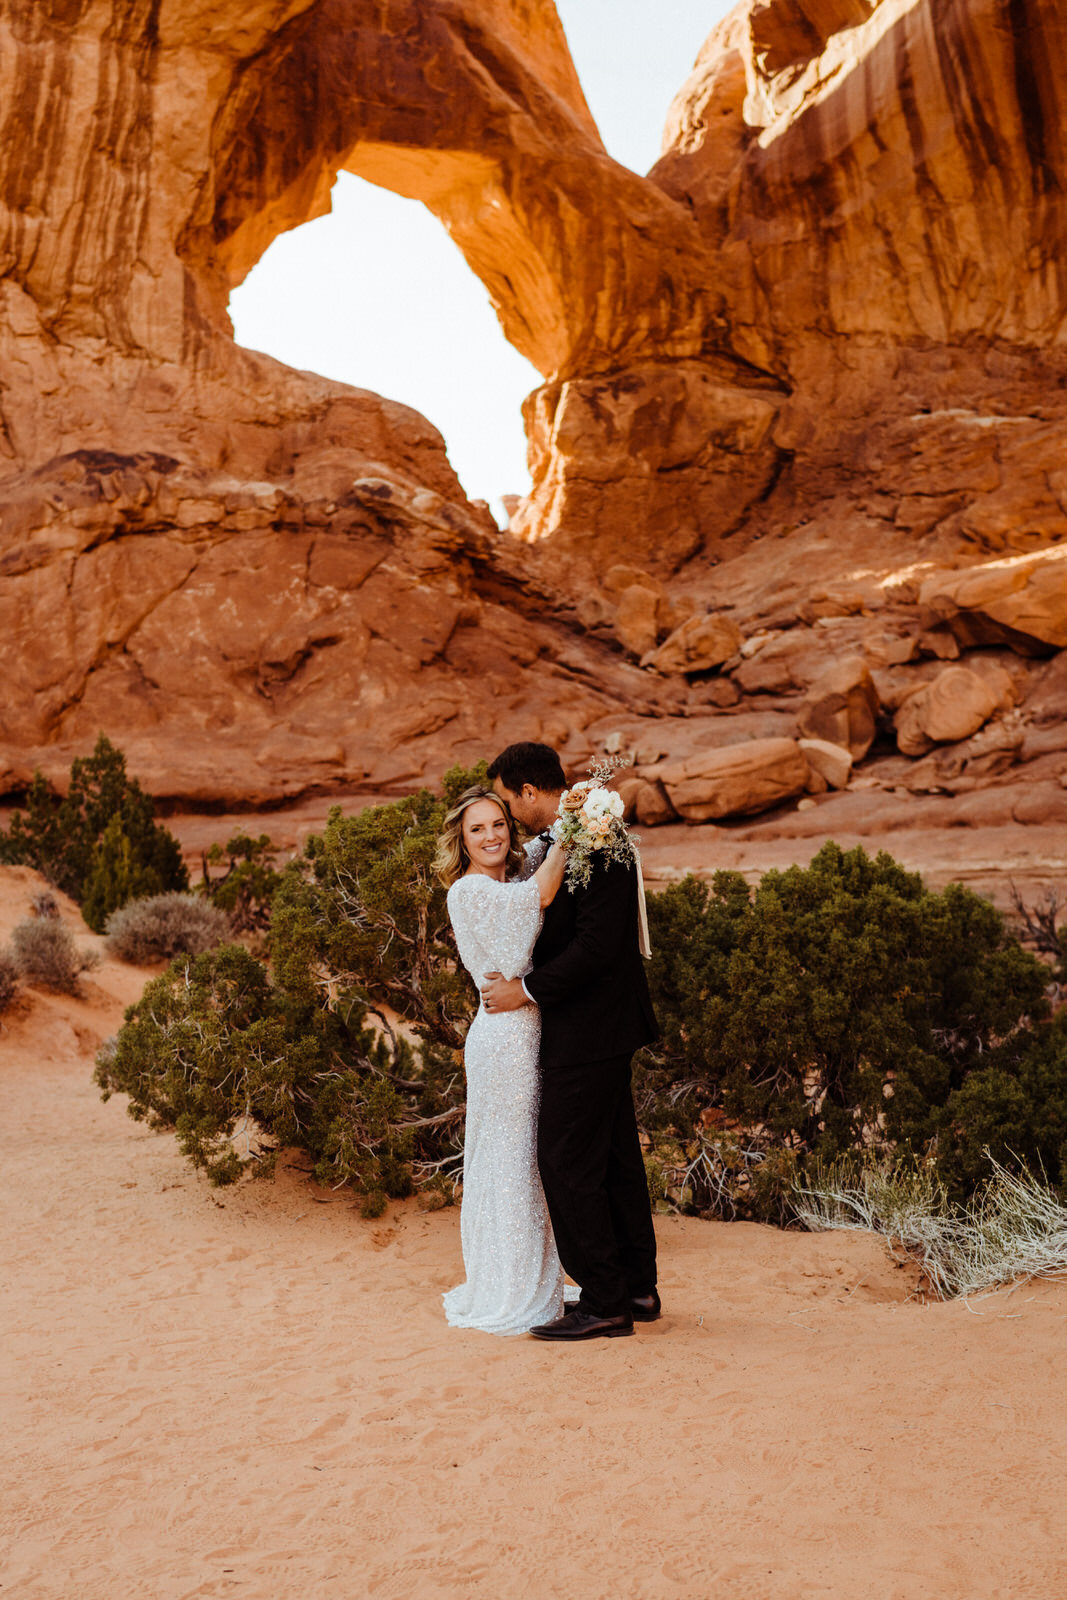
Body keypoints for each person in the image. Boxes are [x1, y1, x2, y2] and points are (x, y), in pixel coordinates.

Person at [483, 742, 660, 1342]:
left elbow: (596, 946)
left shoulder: (596, 836)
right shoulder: (571, 836)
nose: (508, 816)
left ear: (529, 791)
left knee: (564, 1158)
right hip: (601, 1023)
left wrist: (525, 991)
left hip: (590, 1026)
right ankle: (635, 1285)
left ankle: (606, 1300)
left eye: (508, 801)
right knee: (612, 1157)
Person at [434, 784, 570, 1336]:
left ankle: (531, 1268)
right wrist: (575, 831)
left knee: (525, 1159)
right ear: (461, 842)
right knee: (511, 1159)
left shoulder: (501, 882)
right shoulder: (469, 892)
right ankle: (512, 1282)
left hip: (521, 1030)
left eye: (497, 824)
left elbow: (531, 879)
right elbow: (540, 896)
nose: (491, 836)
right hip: (505, 1040)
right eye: (477, 829)